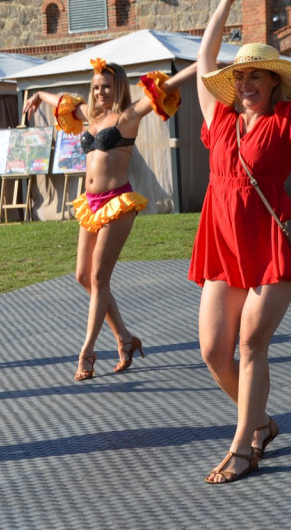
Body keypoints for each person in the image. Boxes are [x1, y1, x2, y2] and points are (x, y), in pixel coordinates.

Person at [192, 0, 291, 484]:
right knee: (214, 351)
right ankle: (259, 420)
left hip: (273, 242)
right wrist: (225, 2)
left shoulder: (288, 121)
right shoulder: (219, 119)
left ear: (274, 82)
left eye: (256, 76)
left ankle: (243, 446)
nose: (246, 82)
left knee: (252, 343)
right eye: (241, 76)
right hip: (223, 245)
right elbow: (203, 63)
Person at [23, 58, 196, 381]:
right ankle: (125, 339)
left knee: (99, 277)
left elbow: (167, 87)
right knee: (82, 276)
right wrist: (38, 95)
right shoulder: (91, 116)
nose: (100, 92)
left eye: (106, 86)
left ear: (118, 86)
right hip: (91, 204)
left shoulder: (128, 117)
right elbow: (63, 102)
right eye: (96, 87)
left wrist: (202, 65)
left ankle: (87, 351)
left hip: (118, 203)